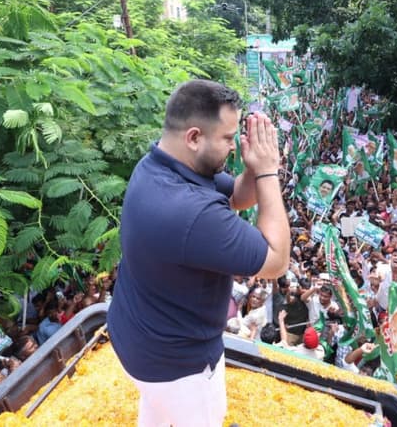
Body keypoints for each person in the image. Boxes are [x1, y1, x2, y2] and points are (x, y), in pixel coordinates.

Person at [107, 80, 291, 426]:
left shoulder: (156, 165)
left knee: (156, 412)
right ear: (193, 137)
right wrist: (269, 171)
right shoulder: (191, 212)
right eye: (227, 138)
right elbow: (277, 260)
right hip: (179, 368)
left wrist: (254, 166)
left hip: (137, 340)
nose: (233, 147)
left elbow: (238, 197)